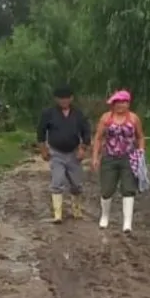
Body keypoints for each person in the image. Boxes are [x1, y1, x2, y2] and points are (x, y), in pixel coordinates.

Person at [91, 90, 146, 233]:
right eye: (117, 103)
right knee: (107, 189)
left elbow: (140, 136)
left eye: (123, 102)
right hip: (109, 157)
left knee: (128, 189)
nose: (120, 105)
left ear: (128, 103)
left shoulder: (134, 119)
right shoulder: (106, 118)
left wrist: (141, 151)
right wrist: (95, 157)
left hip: (129, 158)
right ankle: (105, 216)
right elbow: (98, 137)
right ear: (113, 104)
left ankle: (127, 223)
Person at [37, 85, 92, 223]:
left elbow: (86, 132)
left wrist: (83, 148)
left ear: (71, 98)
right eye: (61, 99)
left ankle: (77, 211)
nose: (64, 101)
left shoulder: (78, 114)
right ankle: (58, 215)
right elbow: (41, 132)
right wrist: (43, 150)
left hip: (73, 152)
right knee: (57, 182)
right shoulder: (48, 113)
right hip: (56, 153)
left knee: (76, 184)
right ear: (56, 99)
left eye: (67, 98)